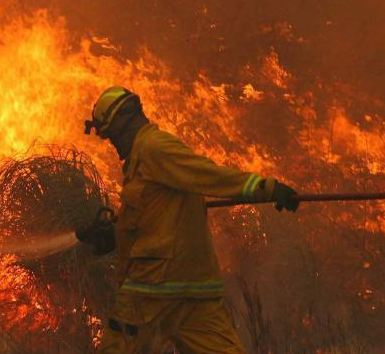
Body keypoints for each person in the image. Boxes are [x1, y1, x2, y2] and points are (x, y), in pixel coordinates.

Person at [76, 86, 298, 354]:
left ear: (125, 121)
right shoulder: (143, 158)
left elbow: (208, 175)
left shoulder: (154, 148)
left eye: (112, 134)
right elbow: (153, 216)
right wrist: (114, 235)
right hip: (192, 290)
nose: (113, 143)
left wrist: (267, 188)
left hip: (151, 290)